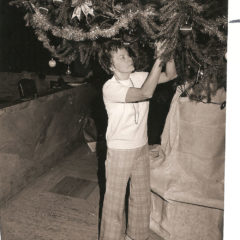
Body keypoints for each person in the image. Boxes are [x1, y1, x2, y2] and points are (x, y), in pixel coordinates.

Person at [98, 40, 177, 240]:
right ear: (110, 66)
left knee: (141, 199)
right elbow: (145, 93)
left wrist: (168, 53)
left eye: (128, 54)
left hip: (141, 147)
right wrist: (158, 58)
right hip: (119, 151)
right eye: (121, 57)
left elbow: (171, 75)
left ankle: (136, 236)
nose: (129, 58)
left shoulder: (140, 76)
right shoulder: (110, 87)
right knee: (114, 203)